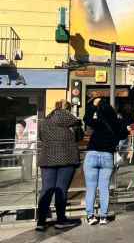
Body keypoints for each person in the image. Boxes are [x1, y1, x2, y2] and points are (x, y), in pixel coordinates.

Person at [35, 100, 83, 231]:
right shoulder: (72, 121)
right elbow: (80, 137)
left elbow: (41, 138)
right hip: (66, 158)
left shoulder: (44, 121)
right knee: (61, 189)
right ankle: (60, 220)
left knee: (46, 189)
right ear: (68, 108)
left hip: (47, 158)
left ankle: (41, 222)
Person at [83, 97, 128, 225]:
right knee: (104, 188)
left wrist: (93, 105)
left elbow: (86, 119)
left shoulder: (98, 120)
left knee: (90, 188)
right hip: (108, 156)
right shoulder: (118, 122)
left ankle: (90, 216)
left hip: (92, 154)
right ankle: (103, 216)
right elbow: (124, 135)